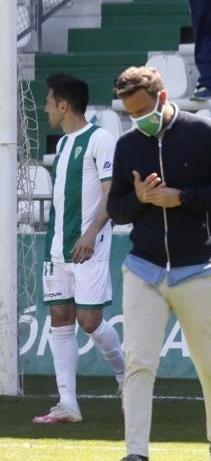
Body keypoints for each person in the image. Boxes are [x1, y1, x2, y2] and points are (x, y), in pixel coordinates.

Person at [106, 66, 211, 461]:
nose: (138, 120)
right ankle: (135, 453)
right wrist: (140, 199)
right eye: (130, 114)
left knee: (209, 363)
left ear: (163, 99)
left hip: (199, 270)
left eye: (142, 111)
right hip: (143, 269)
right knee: (138, 364)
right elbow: (116, 210)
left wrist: (182, 196)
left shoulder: (204, 133)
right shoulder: (127, 146)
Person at [31, 74, 126, 425]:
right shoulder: (63, 145)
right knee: (60, 319)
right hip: (57, 249)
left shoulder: (100, 139)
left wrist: (91, 233)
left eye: (48, 102)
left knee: (89, 321)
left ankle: (125, 375)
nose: (45, 109)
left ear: (63, 105)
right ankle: (67, 404)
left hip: (89, 247)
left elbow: (111, 192)